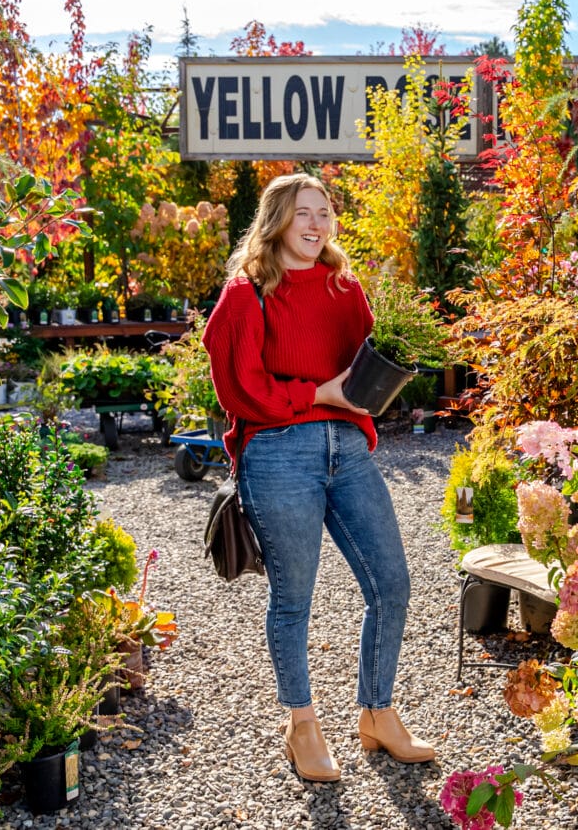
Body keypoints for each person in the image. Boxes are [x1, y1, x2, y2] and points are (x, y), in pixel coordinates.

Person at [202, 173, 435, 783]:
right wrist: (318, 394)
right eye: (304, 213)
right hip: (277, 453)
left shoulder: (344, 286)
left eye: (325, 214)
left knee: (391, 581)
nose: (317, 225)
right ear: (277, 220)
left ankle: (378, 715)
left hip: (348, 449)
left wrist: (375, 390)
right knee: (294, 598)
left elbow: (367, 365)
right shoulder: (245, 294)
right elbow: (240, 389)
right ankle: (302, 724)